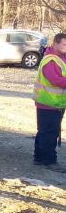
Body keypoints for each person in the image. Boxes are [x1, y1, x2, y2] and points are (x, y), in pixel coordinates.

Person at [34, 33, 66, 169]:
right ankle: (48, 160)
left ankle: (39, 157)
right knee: (49, 133)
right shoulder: (51, 60)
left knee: (44, 131)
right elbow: (56, 80)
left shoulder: (61, 58)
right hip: (49, 103)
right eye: (65, 44)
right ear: (56, 43)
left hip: (55, 103)